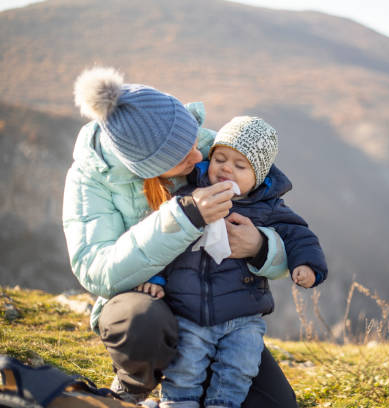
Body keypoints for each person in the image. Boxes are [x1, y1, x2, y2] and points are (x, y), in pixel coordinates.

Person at [62, 67, 297, 407]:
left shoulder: (207, 147)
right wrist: (185, 216)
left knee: (275, 404)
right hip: (147, 299)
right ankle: (133, 385)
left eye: (195, 139)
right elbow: (94, 270)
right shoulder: (91, 179)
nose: (200, 156)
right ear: (147, 166)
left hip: (214, 307)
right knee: (141, 324)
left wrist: (262, 247)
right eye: (183, 156)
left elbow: (283, 225)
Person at [138, 116, 327, 408]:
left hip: (243, 318)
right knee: (185, 367)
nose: (226, 168)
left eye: (240, 166)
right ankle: (178, 404)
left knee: (238, 368)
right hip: (190, 311)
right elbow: (163, 236)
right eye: (220, 159)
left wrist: (308, 266)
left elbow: (300, 236)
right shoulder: (190, 196)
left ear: (259, 176)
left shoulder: (269, 209)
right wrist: (156, 278)